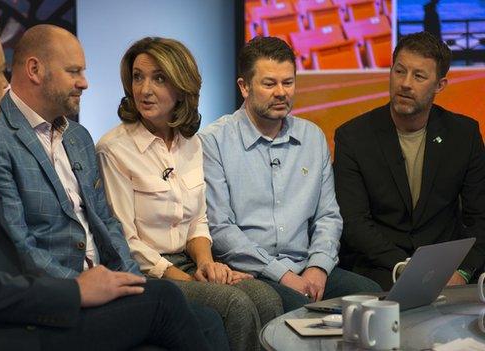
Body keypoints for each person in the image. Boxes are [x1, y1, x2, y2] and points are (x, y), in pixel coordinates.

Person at [0, 12, 213, 350]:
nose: (5, 83)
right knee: (163, 302)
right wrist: (75, 292)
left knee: (195, 317)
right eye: (0, 72)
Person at [0, 25, 227, 349]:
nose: (85, 82)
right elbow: (18, 246)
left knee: (209, 320)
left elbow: (107, 224)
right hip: (57, 301)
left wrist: (130, 280)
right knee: (172, 301)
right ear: (35, 70)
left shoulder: (78, 137)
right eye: (74, 72)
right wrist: (80, 288)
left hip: (108, 281)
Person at [96, 37, 283, 351]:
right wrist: (188, 280)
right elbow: (125, 242)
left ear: (182, 86)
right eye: (138, 77)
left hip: (186, 261)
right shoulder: (113, 149)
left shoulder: (191, 143)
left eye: (158, 78)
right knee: (234, 305)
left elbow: (198, 219)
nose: (144, 89)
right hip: (150, 272)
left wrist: (207, 265)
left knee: (266, 298)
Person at [199, 36, 381, 313]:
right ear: (244, 87)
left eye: (288, 82)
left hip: (307, 268)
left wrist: (318, 267)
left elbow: (328, 216)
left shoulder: (312, 137)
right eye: (269, 83)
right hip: (253, 272)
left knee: (374, 297)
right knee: (302, 312)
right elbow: (221, 229)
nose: (281, 92)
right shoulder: (214, 141)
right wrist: (282, 275)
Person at [333, 31, 485, 290]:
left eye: (419, 76)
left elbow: (479, 217)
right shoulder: (353, 137)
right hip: (380, 270)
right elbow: (353, 221)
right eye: (399, 71)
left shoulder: (464, 134)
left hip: (447, 273)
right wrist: (404, 268)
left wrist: (462, 271)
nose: (405, 83)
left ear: (440, 85)